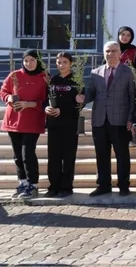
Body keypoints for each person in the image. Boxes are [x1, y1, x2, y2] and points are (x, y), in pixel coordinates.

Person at [81, 41, 136, 197]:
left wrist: (131, 118)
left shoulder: (128, 72)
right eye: (107, 51)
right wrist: (82, 98)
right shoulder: (95, 72)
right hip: (99, 120)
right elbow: (91, 93)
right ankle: (103, 185)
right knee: (101, 154)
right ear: (104, 53)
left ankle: (124, 185)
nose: (110, 54)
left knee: (122, 154)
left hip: (120, 120)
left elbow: (133, 97)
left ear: (120, 53)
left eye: (114, 51)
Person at [1, 49, 48, 199]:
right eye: (26, 60)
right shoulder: (14, 75)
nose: (29, 63)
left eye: (32, 60)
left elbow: (48, 100)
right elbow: (3, 91)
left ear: (38, 61)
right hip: (14, 120)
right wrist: (8, 98)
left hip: (32, 121)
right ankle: (22, 183)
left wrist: (29, 104)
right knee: (17, 155)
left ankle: (33, 185)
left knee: (27, 153)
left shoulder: (44, 77)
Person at [43, 52, 82, 198]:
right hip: (54, 125)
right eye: (59, 62)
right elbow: (44, 99)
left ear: (70, 63)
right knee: (53, 157)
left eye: (65, 62)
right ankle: (53, 187)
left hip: (70, 125)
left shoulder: (77, 81)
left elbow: (79, 104)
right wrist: (45, 108)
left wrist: (64, 110)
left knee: (68, 157)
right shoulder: (52, 80)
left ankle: (66, 187)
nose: (61, 65)